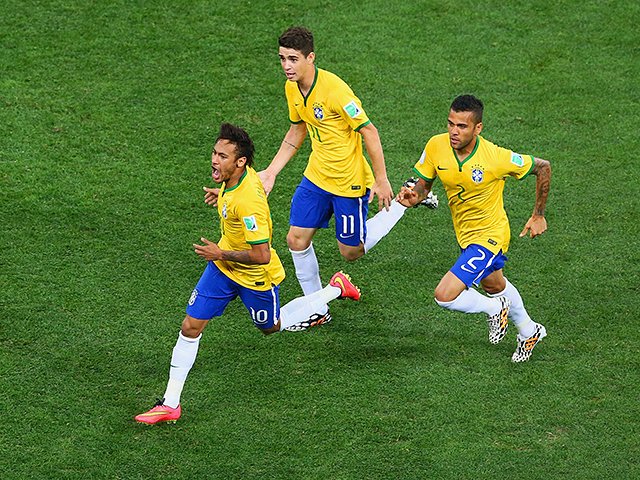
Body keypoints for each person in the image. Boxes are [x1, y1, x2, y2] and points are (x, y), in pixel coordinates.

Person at [135, 123, 361, 425]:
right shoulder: (235, 180)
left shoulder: (249, 203)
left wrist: (220, 253)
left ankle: (335, 288)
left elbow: (261, 255)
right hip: (222, 270)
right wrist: (222, 197)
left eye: (223, 157)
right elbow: (236, 198)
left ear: (240, 161)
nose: (214, 161)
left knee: (271, 326)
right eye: (215, 153)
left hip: (255, 276)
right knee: (190, 326)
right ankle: (170, 404)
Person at [259, 26, 436, 331]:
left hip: (348, 182)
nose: (286, 66)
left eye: (293, 59)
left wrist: (381, 180)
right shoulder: (292, 88)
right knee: (295, 240)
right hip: (317, 176)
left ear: (310, 58)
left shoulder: (336, 91)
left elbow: (369, 131)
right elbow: (297, 129)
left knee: (351, 252)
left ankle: (404, 202)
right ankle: (317, 309)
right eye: (282, 59)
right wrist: (271, 171)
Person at [397, 95, 551, 362]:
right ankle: (529, 331)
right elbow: (424, 184)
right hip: (465, 235)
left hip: (491, 236)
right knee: (494, 284)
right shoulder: (436, 146)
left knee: (444, 295)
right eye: (450, 124)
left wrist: (538, 215)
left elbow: (542, 167)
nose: (454, 132)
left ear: (478, 128)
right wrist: (415, 196)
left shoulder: (495, 157)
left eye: (462, 126)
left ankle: (495, 309)